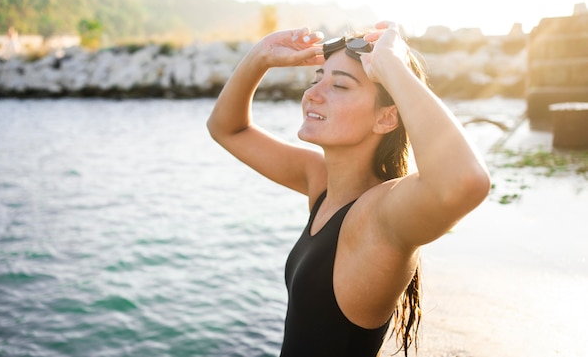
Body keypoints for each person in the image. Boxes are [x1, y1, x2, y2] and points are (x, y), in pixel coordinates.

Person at [206, 21, 491, 357]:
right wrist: (262, 55)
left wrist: (391, 65)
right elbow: (227, 129)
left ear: (386, 118)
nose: (312, 94)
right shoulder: (322, 182)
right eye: (317, 79)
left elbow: (465, 181)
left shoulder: (380, 217)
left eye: (339, 86)